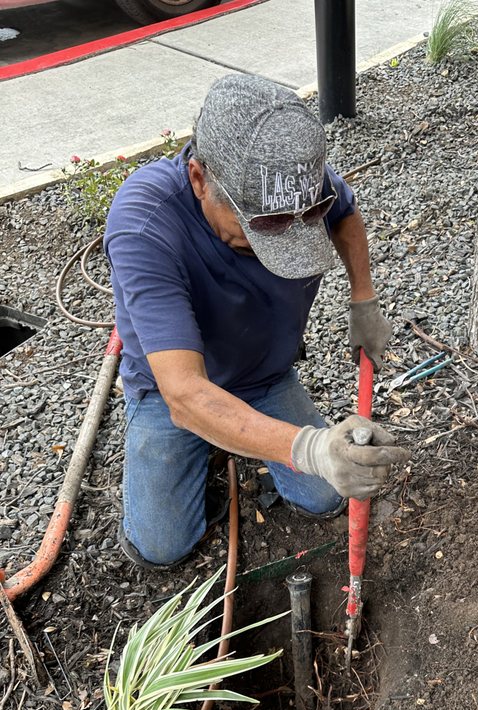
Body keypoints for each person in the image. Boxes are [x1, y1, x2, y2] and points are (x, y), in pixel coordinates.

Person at [104, 72, 407, 569]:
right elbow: (184, 393)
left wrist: (363, 298)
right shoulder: (145, 223)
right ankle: (207, 444)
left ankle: (239, 431)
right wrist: (309, 448)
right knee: (160, 548)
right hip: (174, 394)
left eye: (297, 227)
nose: (276, 251)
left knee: (327, 496)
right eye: (258, 231)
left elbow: (345, 213)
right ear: (200, 178)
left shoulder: (291, 181)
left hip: (264, 374)